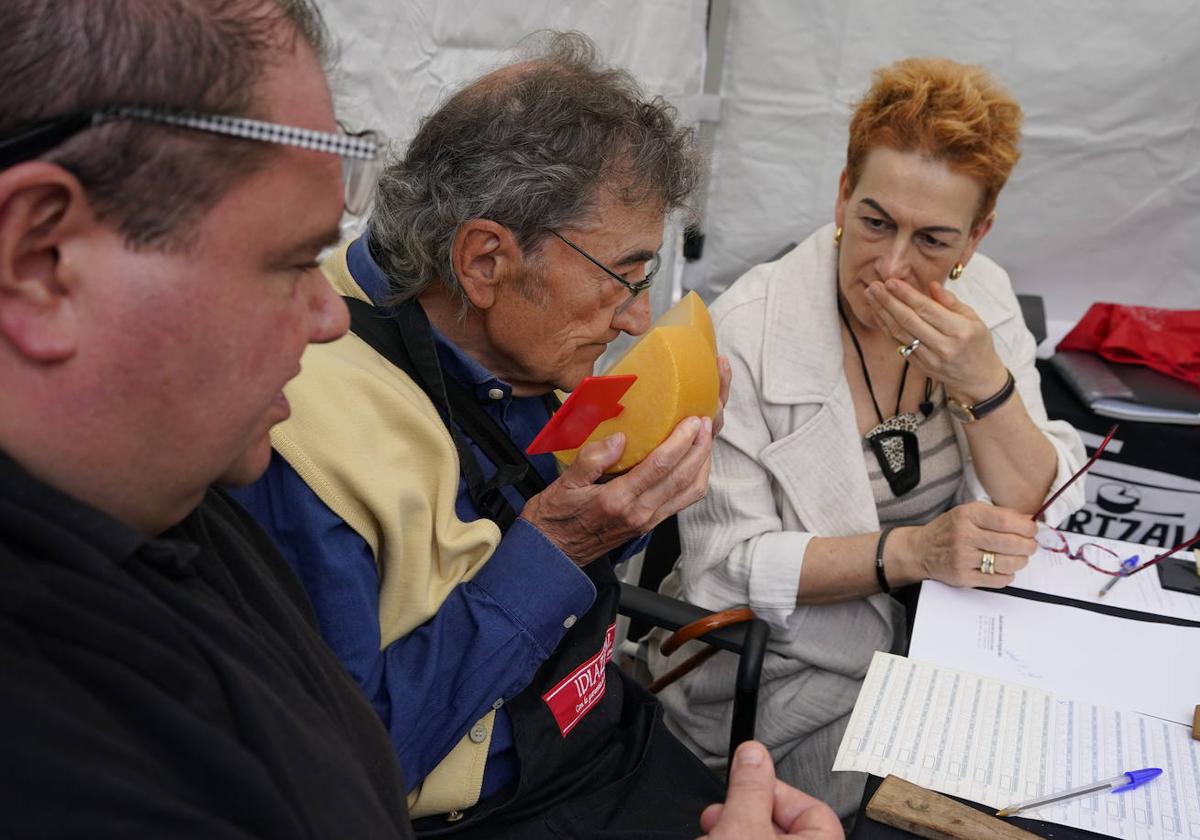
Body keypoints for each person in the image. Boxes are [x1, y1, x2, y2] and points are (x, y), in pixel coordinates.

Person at [231, 31, 731, 837]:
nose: (639, 317)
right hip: (487, 809)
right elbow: (358, 765)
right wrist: (556, 552)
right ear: (487, 259)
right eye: (623, 277)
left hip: (601, 736)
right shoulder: (294, 435)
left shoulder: (516, 346)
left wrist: (638, 464)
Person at [0, 1, 418, 836]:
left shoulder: (174, 495)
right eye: (296, 260)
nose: (328, 314)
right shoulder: (47, 757)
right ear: (40, 261)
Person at [648, 57, 1087, 820]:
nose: (890, 265)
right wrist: (911, 554)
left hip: (946, 645)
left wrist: (987, 385)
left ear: (976, 238)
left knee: (1054, 774)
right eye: (877, 221)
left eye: (932, 240)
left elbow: (1032, 504)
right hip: (786, 672)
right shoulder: (746, 334)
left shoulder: (982, 298)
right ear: (843, 193)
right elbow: (723, 568)